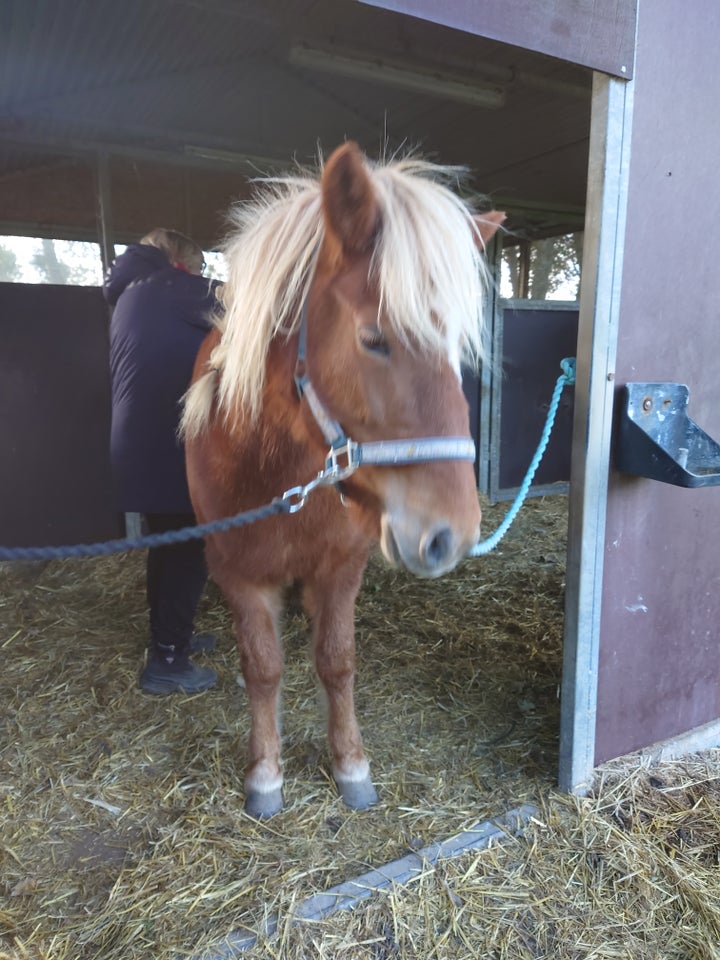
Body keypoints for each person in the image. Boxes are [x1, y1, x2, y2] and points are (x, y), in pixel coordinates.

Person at [104, 228, 221, 695]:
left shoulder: (135, 292)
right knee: (187, 554)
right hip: (167, 446)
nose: (201, 278)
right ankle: (167, 662)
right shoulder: (169, 288)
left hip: (141, 445)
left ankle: (173, 640)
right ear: (180, 263)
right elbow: (254, 305)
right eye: (198, 269)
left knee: (169, 548)